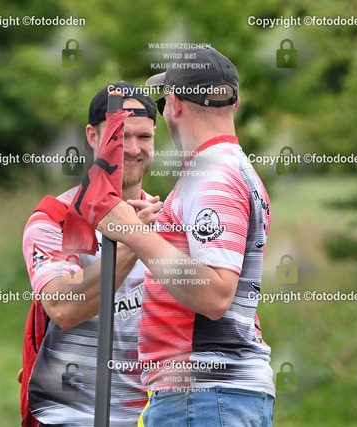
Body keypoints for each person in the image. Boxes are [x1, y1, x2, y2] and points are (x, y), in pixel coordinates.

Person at [97, 47, 275, 426]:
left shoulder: (211, 173)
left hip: (203, 393)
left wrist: (131, 231)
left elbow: (214, 294)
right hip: (217, 395)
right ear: (234, 103)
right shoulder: (235, 168)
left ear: (174, 104)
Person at [21, 82, 162, 426]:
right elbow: (63, 308)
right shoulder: (55, 218)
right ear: (92, 136)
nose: (133, 149)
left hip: (151, 416)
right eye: (120, 137)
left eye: (144, 137)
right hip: (69, 415)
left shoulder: (169, 220)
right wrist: (136, 240)